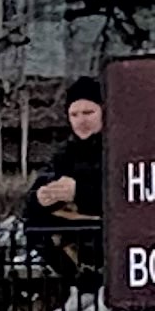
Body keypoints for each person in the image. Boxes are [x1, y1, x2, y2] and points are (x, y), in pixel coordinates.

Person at [26, 75, 106, 285]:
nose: (81, 120)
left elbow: (131, 196)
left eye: (88, 112)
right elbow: (34, 197)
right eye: (74, 114)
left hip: (111, 237)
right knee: (35, 225)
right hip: (73, 240)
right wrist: (41, 197)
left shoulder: (121, 149)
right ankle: (78, 282)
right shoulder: (64, 154)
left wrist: (80, 193)